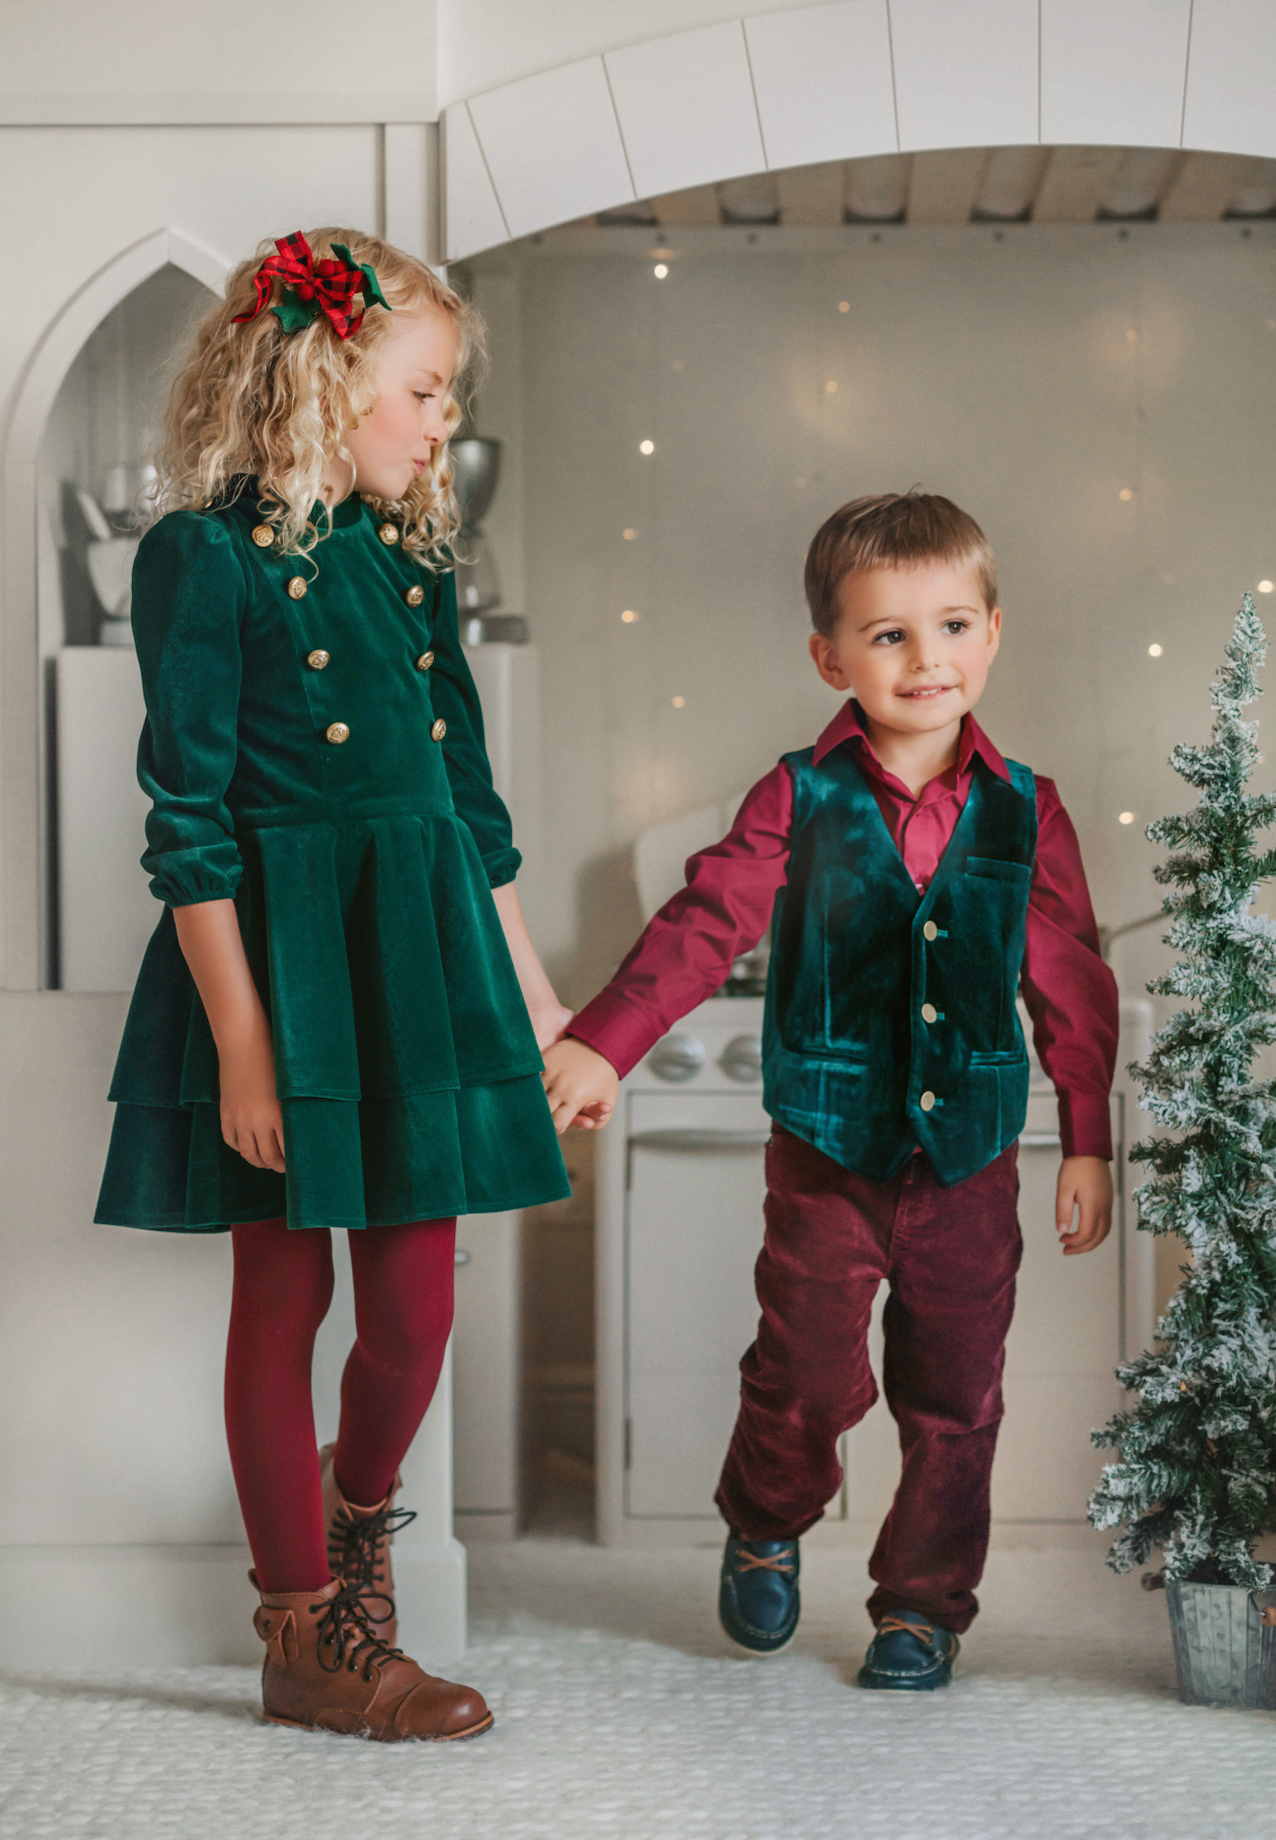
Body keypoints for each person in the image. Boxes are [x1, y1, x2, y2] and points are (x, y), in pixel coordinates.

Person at [95, 229, 572, 1740]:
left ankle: (353, 1541)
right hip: (278, 965)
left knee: (415, 1315)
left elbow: (472, 812)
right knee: (283, 1296)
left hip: (420, 965)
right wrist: (244, 1044)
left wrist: (545, 1003)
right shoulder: (200, 557)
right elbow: (187, 824)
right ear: (321, 377)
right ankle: (303, 1637)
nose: (444, 424)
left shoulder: (415, 560)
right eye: (427, 392)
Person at [542, 492, 1118, 1691]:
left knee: (956, 1393)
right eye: (889, 634)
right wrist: (606, 1040)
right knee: (807, 1369)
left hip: (965, 1152)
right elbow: (708, 921)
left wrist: (1086, 1138)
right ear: (830, 655)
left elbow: (1070, 976)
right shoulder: (796, 796)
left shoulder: (1028, 806)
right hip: (827, 1144)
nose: (926, 658)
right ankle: (764, 1512)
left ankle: (920, 1606)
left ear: (993, 634)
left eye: (952, 626)